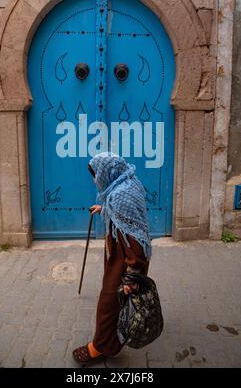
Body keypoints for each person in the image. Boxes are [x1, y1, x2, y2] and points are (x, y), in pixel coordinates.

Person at [72, 152, 152, 365]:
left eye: (96, 175)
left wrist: (132, 276)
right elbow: (126, 217)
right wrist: (104, 209)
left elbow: (133, 240)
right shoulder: (127, 181)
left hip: (126, 259)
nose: (95, 180)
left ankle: (100, 348)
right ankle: (115, 337)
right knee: (117, 303)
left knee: (108, 303)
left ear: (107, 172)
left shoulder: (118, 196)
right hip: (125, 255)